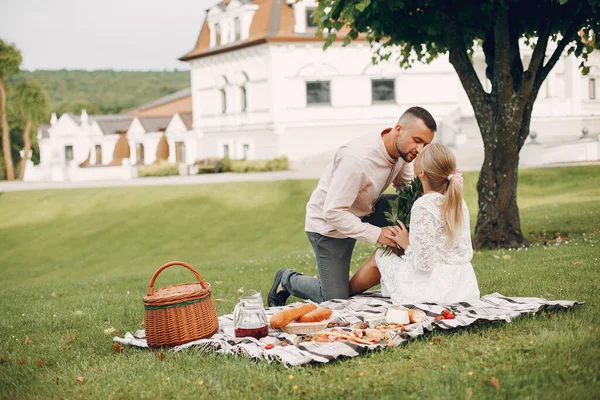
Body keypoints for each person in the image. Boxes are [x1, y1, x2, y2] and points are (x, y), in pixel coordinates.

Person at [268, 106, 437, 307]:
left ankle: (410, 269)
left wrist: (434, 198)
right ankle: (286, 280)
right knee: (335, 299)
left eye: (425, 144)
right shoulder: (357, 159)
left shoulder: (401, 151)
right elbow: (332, 212)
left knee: (415, 209)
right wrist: (377, 234)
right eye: (417, 140)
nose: (420, 150)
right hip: (330, 227)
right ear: (398, 130)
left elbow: (406, 187)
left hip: (366, 210)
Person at [349, 143, 480, 304]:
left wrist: (406, 244)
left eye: (419, 155)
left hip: (434, 291)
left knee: (380, 256)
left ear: (421, 173)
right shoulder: (458, 202)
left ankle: (345, 290)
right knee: (392, 259)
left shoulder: (424, 204)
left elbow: (424, 264)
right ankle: (347, 286)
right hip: (462, 287)